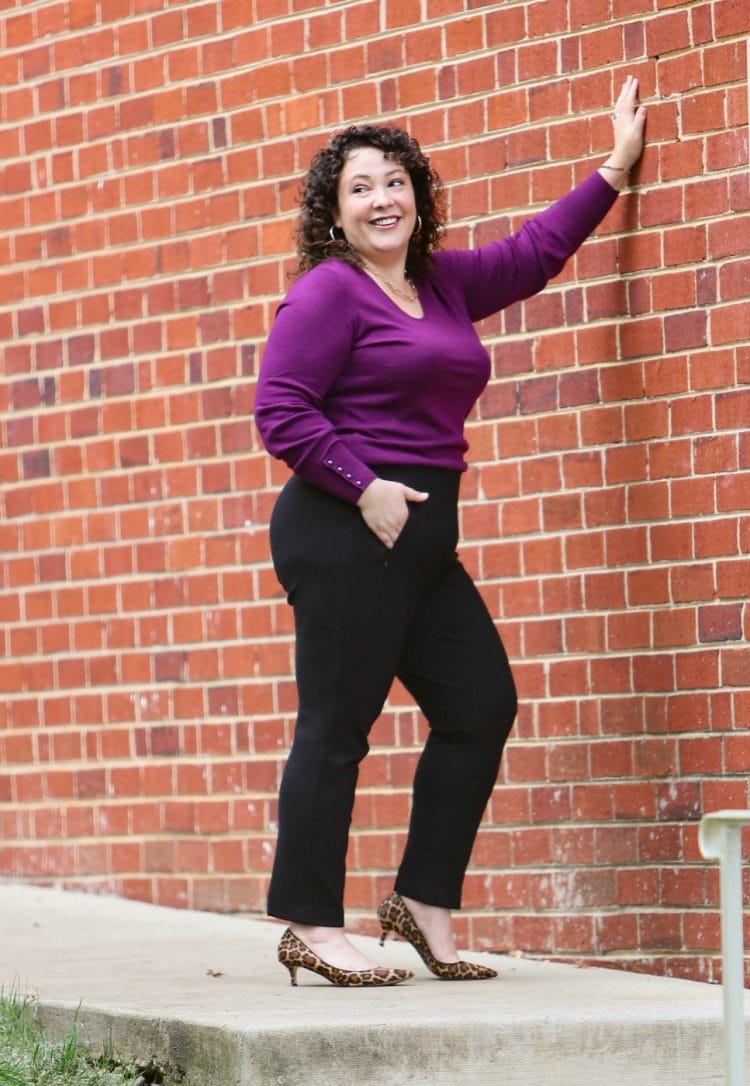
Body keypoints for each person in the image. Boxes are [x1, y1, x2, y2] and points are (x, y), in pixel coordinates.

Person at [255, 77, 646, 988]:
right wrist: (364, 488)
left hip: (421, 538)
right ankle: (311, 922)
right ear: (335, 212)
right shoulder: (327, 294)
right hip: (346, 526)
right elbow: (280, 410)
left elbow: (535, 252)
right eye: (360, 187)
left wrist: (614, 171)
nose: (382, 199)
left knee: (479, 707)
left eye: (395, 181)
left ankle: (422, 903)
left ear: (418, 196)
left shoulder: (443, 283)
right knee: (337, 727)